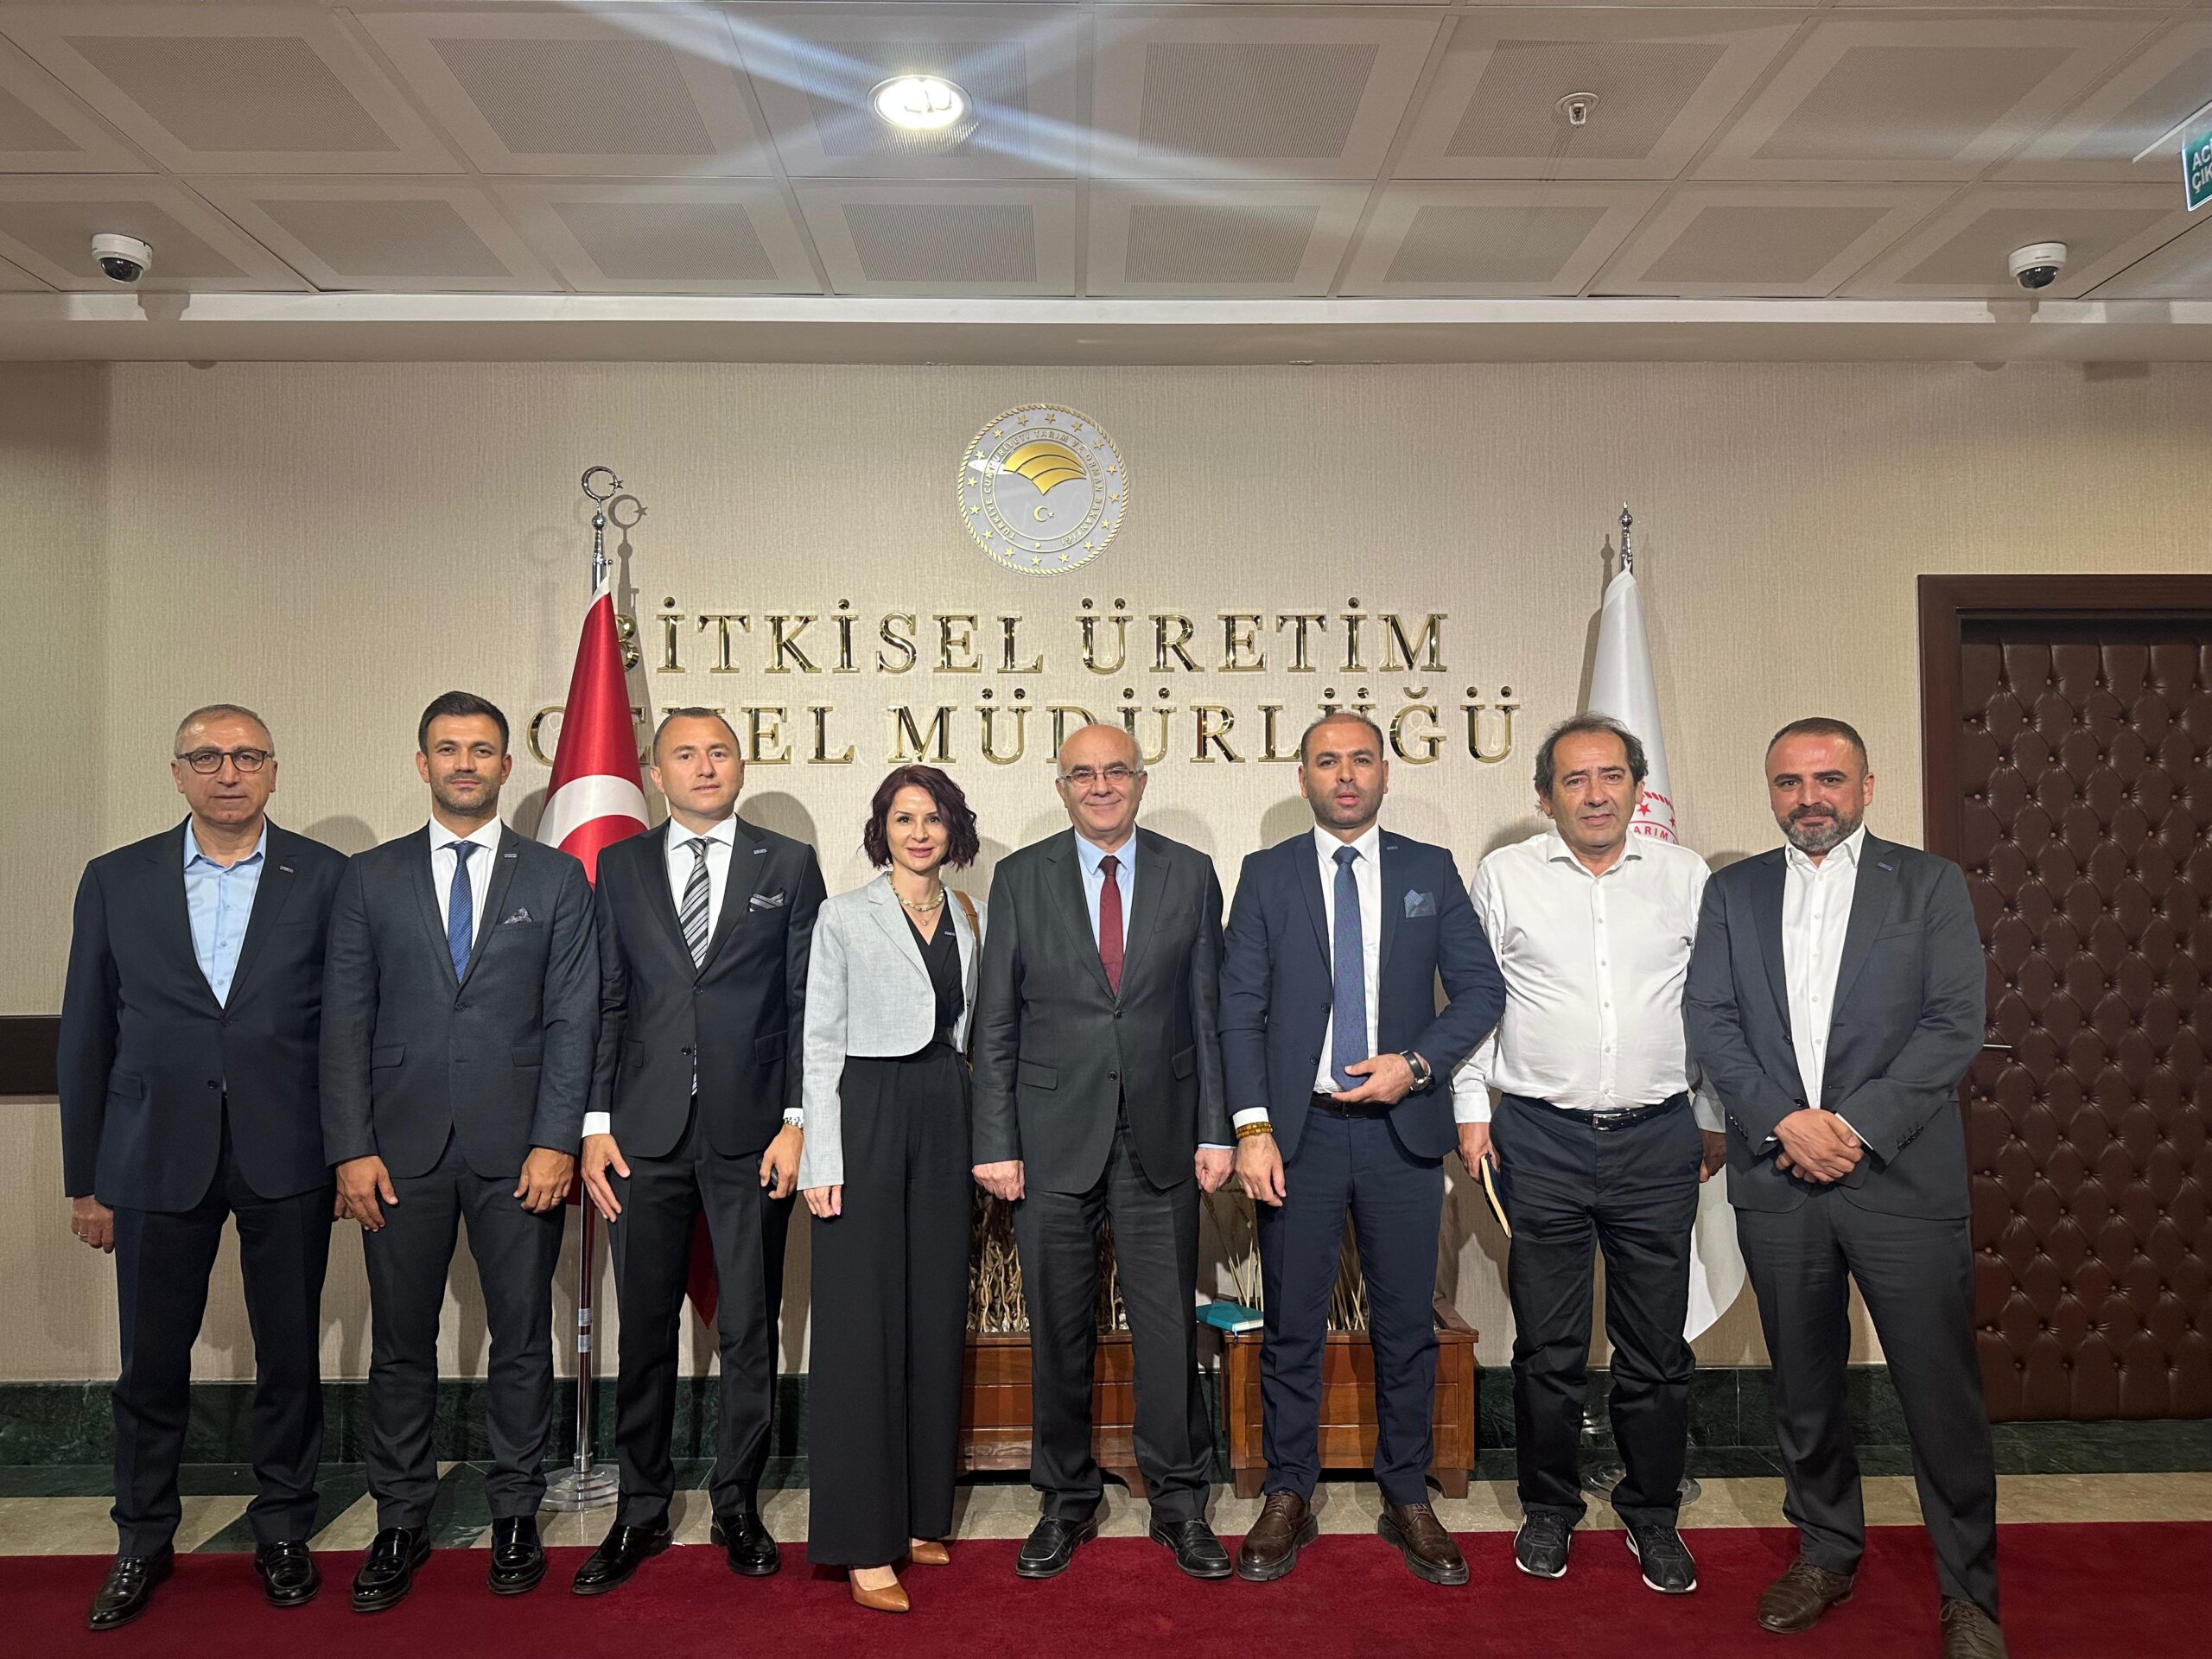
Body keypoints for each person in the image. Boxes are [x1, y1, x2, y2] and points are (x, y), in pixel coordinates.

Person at [1686, 717, 2002, 1659]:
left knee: (1938, 1392)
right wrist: (1785, 1121)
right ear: (1770, 792)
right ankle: (1825, 1552)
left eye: (1828, 779)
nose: (1808, 798)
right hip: (1779, 1177)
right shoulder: (1733, 891)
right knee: (1804, 1386)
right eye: (1788, 782)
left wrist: (1850, 1128)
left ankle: (1970, 1593)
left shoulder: (1929, 884)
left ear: (1866, 787)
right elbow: (1711, 1019)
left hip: (1899, 1177)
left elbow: (1953, 1023)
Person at [58, 705, 348, 1630]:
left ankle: (285, 1531)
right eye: (208, 758)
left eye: (248, 756)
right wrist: (85, 1178)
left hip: (288, 1150)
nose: (229, 773)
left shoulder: (326, 877)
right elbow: (85, 1032)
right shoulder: (116, 878)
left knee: (289, 1356)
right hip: (151, 1155)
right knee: (149, 1363)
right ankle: (142, 1539)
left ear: (274, 771)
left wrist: (350, 1150)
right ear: (178, 772)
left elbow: (349, 1026)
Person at [321, 691, 595, 1612]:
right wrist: (350, 1148)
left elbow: (573, 1020)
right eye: (448, 748)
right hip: (396, 1153)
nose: (465, 763)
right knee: (401, 1344)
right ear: (423, 763)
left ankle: (515, 1512)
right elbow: (344, 1021)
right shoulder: (368, 878)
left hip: (521, 1151)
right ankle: (400, 1517)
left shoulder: (556, 878)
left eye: (482, 749)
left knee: (521, 1339)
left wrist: (556, 1139)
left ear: (508, 766)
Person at [1221, 711, 1505, 1586]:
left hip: (1401, 1133)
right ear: (1302, 778)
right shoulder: (1265, 874)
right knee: (1291, 1326)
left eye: (1360, 760)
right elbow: (1239, 1009)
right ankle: (1288, 1491)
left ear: (1385, 772)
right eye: (1326, 761)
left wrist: (1414, 1067)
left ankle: (1405, 1492)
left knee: (1405, 1325)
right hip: (1297, 1138)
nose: (1344, 775)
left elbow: (1480, 989)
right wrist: (1252, 1130)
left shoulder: (1428, 869)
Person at [1454, 715, 1725, 1593]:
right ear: (1545, 797)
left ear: (1637, 788)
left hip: (1658, 1136)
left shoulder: (1685, 877)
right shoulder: (1506, 875)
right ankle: (1548, 1507)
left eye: (1611, 776)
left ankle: (1652, 1514)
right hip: (1540, 1137)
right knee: (1549, 1344)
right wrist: (1470, 1107)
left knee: (1656, 1347)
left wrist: (1712, 1113)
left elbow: (1714, 1005)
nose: (1596, 794)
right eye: (1574, 779)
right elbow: (1474, 998)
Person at [970, 723, 1234, 1581]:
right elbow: (997, 1020)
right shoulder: (1020, 878)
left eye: (1116, 770)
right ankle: (1066, 1499)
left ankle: (1179, 1501)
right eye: (1082, 774)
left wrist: (1217, 1129)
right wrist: (996, 1141)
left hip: (1163, 1134)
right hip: (1050, 1138)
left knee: (1167, 1329)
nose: (1100, 785)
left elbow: (1208, 1013)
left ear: (1141, 781)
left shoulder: (1190, 873)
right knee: (1057, 1328)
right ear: (1061, 789)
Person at [571, 709, 823, 1595]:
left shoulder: (788, 863)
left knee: (750, 1324)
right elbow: (607, 998)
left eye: (719, 752)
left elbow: (805, 999)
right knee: (642, 1326)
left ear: (741, 765)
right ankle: (639, 1508)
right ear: (656, 772)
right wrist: (594, 1123)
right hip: (640, 1136)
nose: (705, 766)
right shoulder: (621, 865)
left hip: (752, 1132)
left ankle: (736, 1502)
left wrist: (798, 1119)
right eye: (685, 754)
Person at [798, 765, 985, 1614]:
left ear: (953, 831)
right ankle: (860, 1542)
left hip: (945, 1109)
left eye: (933, 818)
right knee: (861, 1326)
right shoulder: (843, 915)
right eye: (903, 818)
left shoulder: (970, 914)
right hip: (864, 1111)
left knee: (932, 1314)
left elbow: (970, 1032)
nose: (919, 832)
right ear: (883, 830)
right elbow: (820, 1042)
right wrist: (821, 1159)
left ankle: (916, 1517)